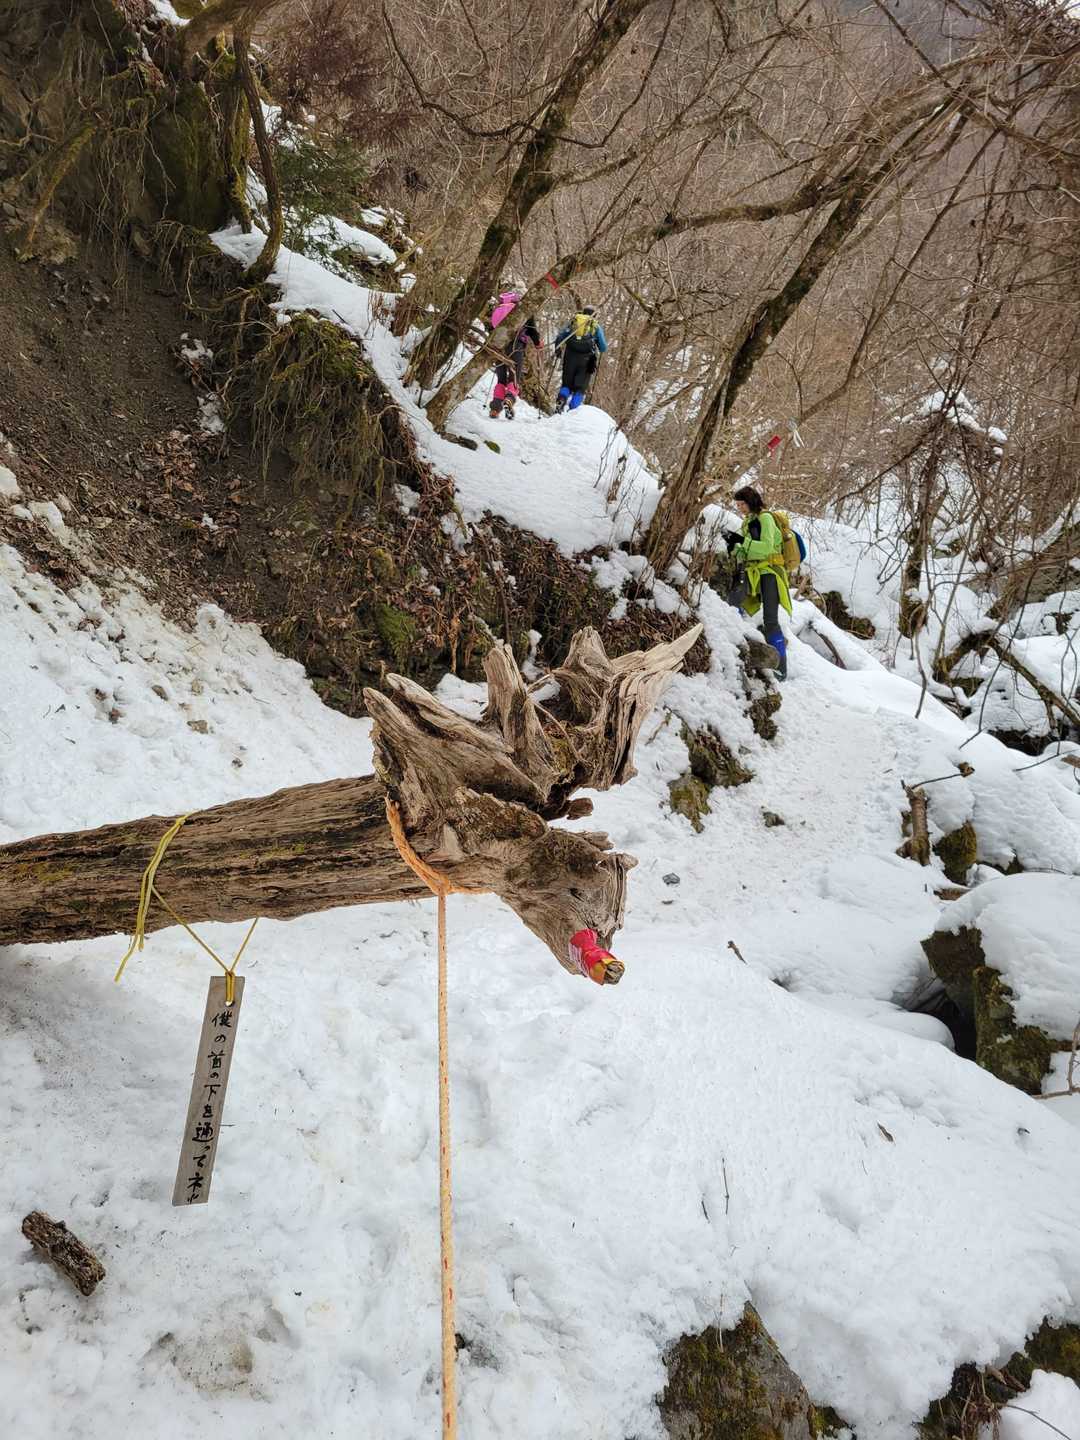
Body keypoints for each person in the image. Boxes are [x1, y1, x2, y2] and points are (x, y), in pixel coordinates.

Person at [723, 485, 792, 679]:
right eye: (737, 505)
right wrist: (733, 545)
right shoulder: (748, 521)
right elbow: (747, 550)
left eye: (742, 504)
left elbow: (767, 548)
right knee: (733, 602)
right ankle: (734, 651)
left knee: (771, 620)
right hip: (753, 571)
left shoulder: (766, 518)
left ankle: (781, 669)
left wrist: (742, 541)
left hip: (770, 572)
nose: (740, 508)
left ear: (751, 501)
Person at [553, 306, 607, 413]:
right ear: (594, 315)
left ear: (583, 312)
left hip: (570, 357)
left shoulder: (574, 322)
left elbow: (560, 336)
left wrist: (557, 349)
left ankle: (561, 401)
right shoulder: (595, 326)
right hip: (586, 361)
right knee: (580, 388)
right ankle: (573, 410)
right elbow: (603, 347)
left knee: (566, 384)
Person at [490, 314, 542, 420]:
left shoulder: (500, 308)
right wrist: (537, 343)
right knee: (514, 377)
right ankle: (509, 399)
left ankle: (495, 409)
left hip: (499, 345)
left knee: (501, 379)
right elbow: (532, 330)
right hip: (516, 346)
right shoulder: (525, 310)